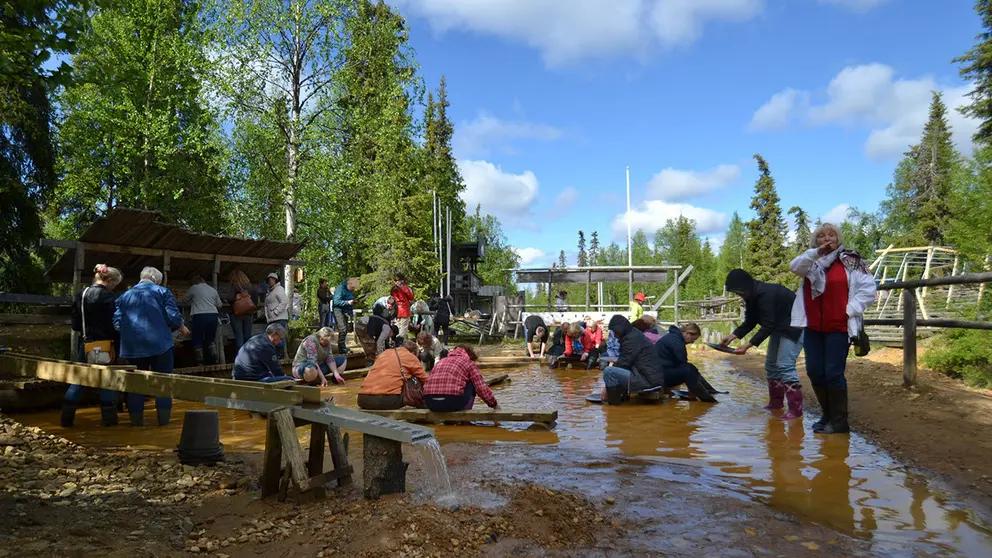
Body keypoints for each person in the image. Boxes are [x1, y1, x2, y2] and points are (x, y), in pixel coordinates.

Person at [790, 223, 876, 434]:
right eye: (821, 236)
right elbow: (794, 267)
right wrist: (816, 253)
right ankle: (827, 416)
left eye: (831, 235)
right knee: (814, 372)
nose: (827, 239)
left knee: (833, 373)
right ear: (815, 241)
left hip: (838, 326)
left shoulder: (852, 261)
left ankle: (839, 422)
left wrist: (848, 310)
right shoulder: (811, 261)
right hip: (812, 327)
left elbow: (868, 290)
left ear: (839, 239)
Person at [722, 269, 804, 420]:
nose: (738, 295)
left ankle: (796, 409)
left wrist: (748, 345)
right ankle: (776, 403)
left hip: (796, 327)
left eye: (738, 292)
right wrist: (732, 336)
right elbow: (750, 321)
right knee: (771, 365)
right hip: (779, 327)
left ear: (745, 287)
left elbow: (768, 325)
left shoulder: (767, 294)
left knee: (785, 365)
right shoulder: (751, 296)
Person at [114, 266, 188, 426]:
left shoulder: (124, 296)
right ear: (155, 280)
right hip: (160, 344)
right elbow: (174, 317)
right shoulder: (163, 292)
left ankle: (136, 424)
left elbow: (117, 323)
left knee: (136, 385)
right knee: (163, 383)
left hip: (133, 348)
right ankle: (163, 424)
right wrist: (180, 327)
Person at [64, 264, 123, 427]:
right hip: (106, 344)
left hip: (86, 343)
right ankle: (110, 424)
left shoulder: (80, 295)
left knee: (78, 381)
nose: (114, 287)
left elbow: (75, 325)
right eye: (115, 284)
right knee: (107, 382)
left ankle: (66, 420)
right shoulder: (111, 298)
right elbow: (115, 324)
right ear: (109, 280)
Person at [600, 315, 666, 405]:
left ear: (620, 329)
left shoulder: (631, 339)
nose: (615, 335)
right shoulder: (633, 334)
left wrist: (606, 389)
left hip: (647, 380)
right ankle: (618, 397)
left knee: (609, 371)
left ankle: (613, 404)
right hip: (649, 376)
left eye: (615, 332)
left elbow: (624, 363)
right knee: (613, 370)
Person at [425, 345, 500, 412]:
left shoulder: (440, 362)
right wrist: (494, 404)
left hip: (430, 403)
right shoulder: (469, 362)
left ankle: (449, 421)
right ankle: (465, 420)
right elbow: (481, 388)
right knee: (473, 383)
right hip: (451, 403)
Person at [357, 340, 428, 410]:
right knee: (415, 378)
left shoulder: (383, 354)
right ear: (413, 353)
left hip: (362, 399)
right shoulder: (410, 356)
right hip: (387, 400)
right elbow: (426, 380)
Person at [656, 323, 719, 402]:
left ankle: (708, 391)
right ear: (687, 333)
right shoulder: (675, 341)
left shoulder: (675, 337)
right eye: (693, 340)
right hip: (659, 376)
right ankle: (708, 401)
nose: (692, 342)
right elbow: (683, 363)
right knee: (688, 371)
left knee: (690, 368)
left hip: (662, 371)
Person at [183, 274, 223, 365]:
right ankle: (214, 358)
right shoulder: (213, 290)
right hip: (213, 315)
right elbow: (219, 305)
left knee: (197, 337)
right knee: (210, 338)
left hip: (199, 315)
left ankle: (200, 361)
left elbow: (184, 300)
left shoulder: (194, 288)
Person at [228, 270, 258, 353]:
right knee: (247, 337)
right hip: (248, 315)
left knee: (239, 338)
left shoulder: (234, 285)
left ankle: (240, 359)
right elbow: (255, 302)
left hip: (237, 315)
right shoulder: (251, 286)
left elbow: (230, 298)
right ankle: (248, 358)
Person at [263, 272, 289, 358]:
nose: (271, 281)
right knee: (273, 339)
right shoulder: (269, 292)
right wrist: (268, 317)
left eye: (272, 279)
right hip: (272, 320)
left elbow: (284, 301)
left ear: (276, 280)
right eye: (269, 279)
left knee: (279, 340)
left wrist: (275, 312)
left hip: (280, 318)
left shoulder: (279, 289)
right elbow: (266, 306)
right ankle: (276, 356)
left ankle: (278, 356)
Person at [333, 277, 358, 354]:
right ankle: (341, 349)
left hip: (345, 311)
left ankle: (343, 347)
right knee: (343, 329)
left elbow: (349, 299)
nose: (353, 290)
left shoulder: (349, 290)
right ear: (349, 284)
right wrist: (347, 302)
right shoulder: (340, 289)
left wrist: (353, 302)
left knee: (346, 329)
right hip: (338, 310)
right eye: (352, 288)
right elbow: (336, 301)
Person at [391, 273, 415, 339]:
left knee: (397, 326)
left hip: (396, 309)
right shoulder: (404, 287)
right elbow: (411, 297)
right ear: (402, 280)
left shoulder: (393, 288)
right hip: (404, 309)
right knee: (404, 328)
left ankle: (394, 339)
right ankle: (401, 343)